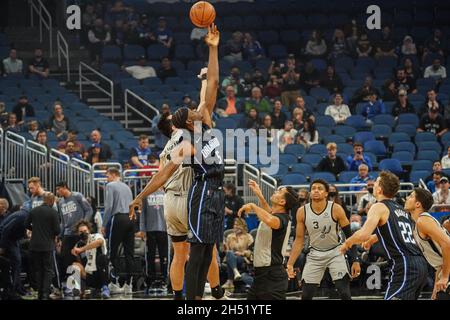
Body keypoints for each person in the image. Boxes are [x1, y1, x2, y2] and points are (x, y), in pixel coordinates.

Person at [130, 25, 224, 300]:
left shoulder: (171, 143)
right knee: (207, 250)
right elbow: (204, 105)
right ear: (177, 125)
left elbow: (205, 101)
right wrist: (207, 73)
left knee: (179, 253)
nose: (194, 111)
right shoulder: (186, 137)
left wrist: (140, 197)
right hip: (194, 195)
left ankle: (178, 296)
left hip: (171, 200)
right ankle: (215, 293)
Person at [340, 171, 428, 300]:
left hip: (404, 264)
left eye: (375, 182)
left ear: (379, 189)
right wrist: (373, 238)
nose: (373, 184)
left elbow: (363, 234)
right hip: (419, 264)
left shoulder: (379, 206)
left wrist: (347, 243)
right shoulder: (400, 209)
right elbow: (397, 231)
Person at [287, 179, 361, 300]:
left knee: (344, 293)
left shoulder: (336, 209)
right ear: (310, 193)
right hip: (315, 253)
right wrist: (290, 263)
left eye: (320, 188)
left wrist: (355, 260)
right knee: (306, 295)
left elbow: (350, 236)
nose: (316, 190)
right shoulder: (302, 211)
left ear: (326, 193)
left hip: (336, 252)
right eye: (313, 188)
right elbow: (299, 240)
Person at [238, 180, 298, 300]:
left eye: (279, 191)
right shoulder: (275, 215)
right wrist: (259, 195)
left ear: (282, 201)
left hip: (272, 277)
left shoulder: (284, 219)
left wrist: (254, 206)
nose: (275, 191)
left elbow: (271, 221)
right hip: (261, 275)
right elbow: (269, 213)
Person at [404, 188, 450, 300]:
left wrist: (444, 277)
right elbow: (439, 261)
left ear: (418, 204)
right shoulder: (418, 223)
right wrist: (436, 285)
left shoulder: (423, 220)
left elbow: (448, 244)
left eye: (410, 196)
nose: (406, 198)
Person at [102, 168, 134, 294]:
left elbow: (109, 206)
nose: (106, 179)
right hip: (130, 218)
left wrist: (104, 224)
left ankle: (114, 283)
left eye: (107, 175)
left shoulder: (110, 185)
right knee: (129, 254)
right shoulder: (127, 186)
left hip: (119, 217)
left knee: (112, 252)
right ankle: (128, 284)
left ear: (114, 174)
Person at [56, 181, 93, 285]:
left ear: (64, 187)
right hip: (68, 233)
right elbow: (62, 222)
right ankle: (71, 283)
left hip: (79, 234)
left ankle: (86, 282)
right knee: (65, 258)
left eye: (59, 189)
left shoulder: (77, 196)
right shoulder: (60, 202)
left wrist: (82, 225)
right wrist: (59, 236)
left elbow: (89, 210)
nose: (57, 192)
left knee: (82, 257)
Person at [25, 192, 60, 300]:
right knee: (48, 270)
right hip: (47, 245)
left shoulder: (34, 210)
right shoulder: (53, 212)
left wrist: (34, 230)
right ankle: (45, 293)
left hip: (34, 245)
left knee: (38, 270)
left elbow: (26, 224)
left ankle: (40, 293)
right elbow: (57, 230)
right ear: (52, 201)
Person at [67, 220, 110, 299]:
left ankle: (105, 287)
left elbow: (99, 242)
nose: (83, 233)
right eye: (80, 232)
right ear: (77, 233)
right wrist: (76, 254)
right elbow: (81, 264)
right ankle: (77, 288)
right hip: (89, 276)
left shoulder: (96, 236)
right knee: (74, 265)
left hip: (101, 274)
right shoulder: (78, 244)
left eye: (85, 231)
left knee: (102, 258)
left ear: (89, 230)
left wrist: (82, 249)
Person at [138, 190, 168, 290]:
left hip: (164, 229)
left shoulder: (165, 194)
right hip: (150, 230)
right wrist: (142, 229)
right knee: (150, 256)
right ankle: (150, 279)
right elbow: (143, 213)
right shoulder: (145, 194)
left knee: (164, 255)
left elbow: (169, 212)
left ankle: (164, 279)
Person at [0, 207, 29, 299]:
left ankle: (17, 287)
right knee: (16, 262)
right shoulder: (22, 217)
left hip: (11, 239)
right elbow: (5, 229)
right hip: (7, 239)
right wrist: (2, 247)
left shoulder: (22, 215)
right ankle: (14, 289)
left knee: (16, 262)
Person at [222, 219, 253, 290]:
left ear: (243, 226)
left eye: (238, 225)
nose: (235, 227)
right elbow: (227, 251)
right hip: (231, 257)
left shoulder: (248, 237)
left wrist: (242, 253)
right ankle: (235, 272)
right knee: (230, 253)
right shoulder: (230, 236)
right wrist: (225, 247)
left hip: (242, 259)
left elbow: (251, 251)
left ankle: (230, 281)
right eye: (234, 225)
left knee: (231, 257)